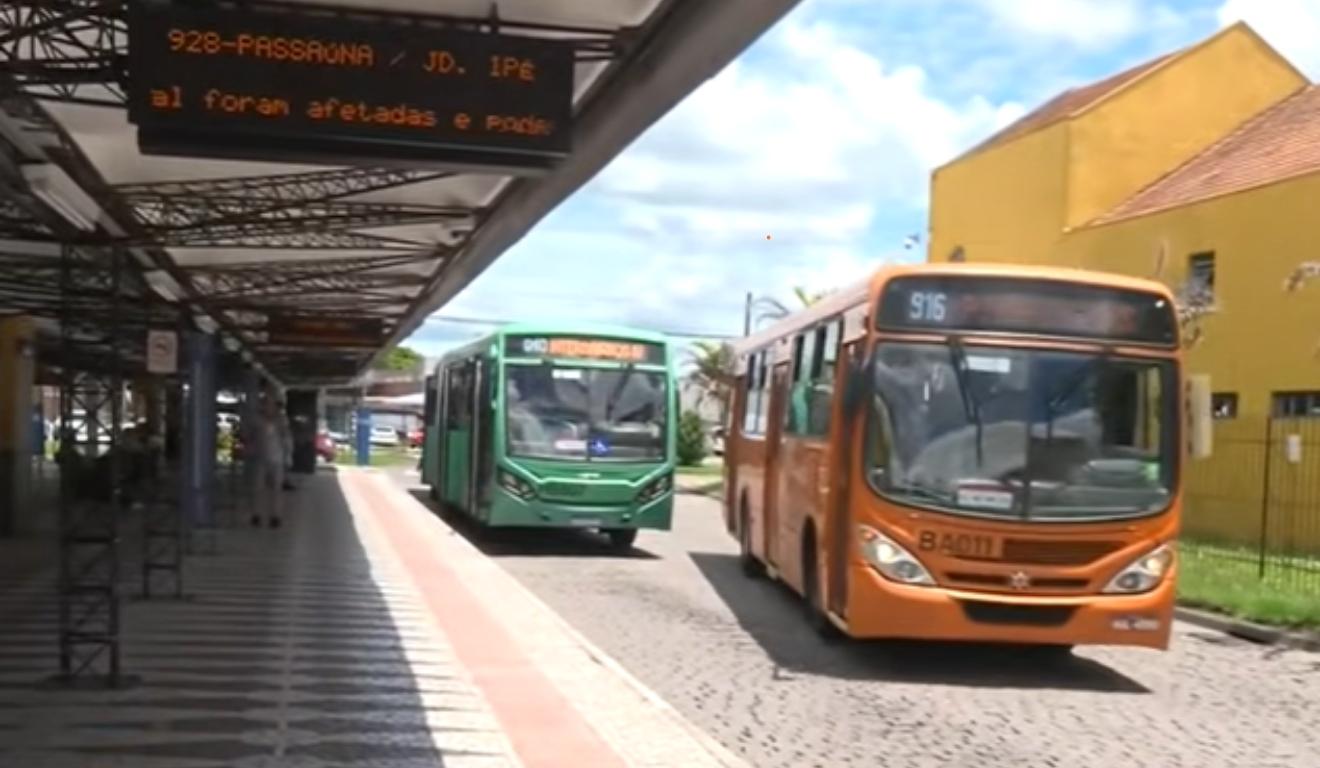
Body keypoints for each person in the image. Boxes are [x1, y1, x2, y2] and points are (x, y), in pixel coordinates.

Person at [252, 392, 284, 529]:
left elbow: (286, 437)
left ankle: (275, 516)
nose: (269, 407)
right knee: (259, 488)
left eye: (271, 405)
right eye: (266, 404)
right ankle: (257, 514)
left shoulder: (281, 421)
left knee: (276, 489)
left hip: (277, 459)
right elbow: (252, 436)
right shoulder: (258, 421)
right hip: (261, 458)